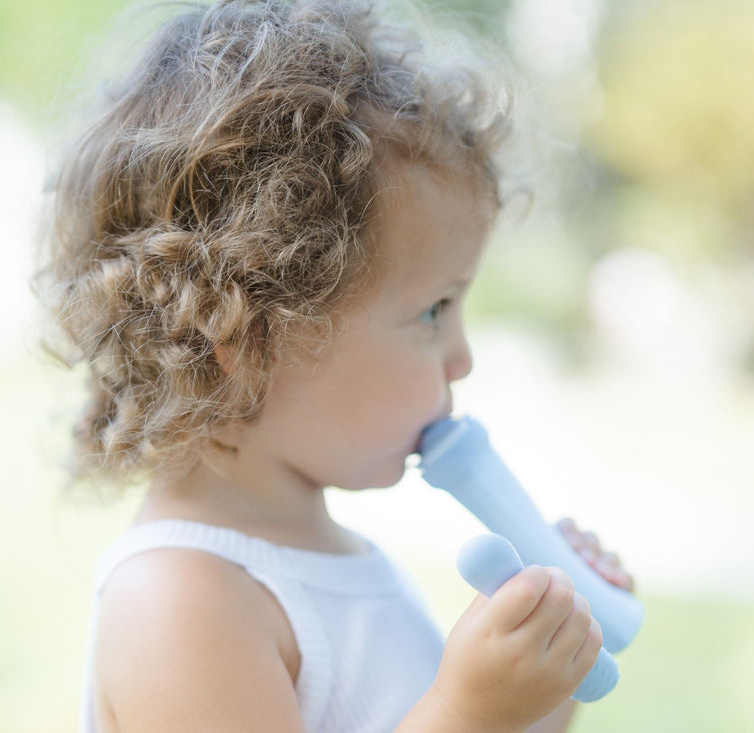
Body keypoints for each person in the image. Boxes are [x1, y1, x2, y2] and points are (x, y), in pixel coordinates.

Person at [37, 1, 634, 731]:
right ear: (250, 340)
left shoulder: (340, 559)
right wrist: (469, 711)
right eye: (432, 310)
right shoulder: (180, 596)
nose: (462, 357)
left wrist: (548, 670)